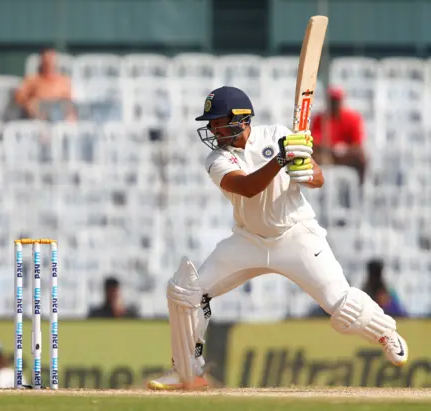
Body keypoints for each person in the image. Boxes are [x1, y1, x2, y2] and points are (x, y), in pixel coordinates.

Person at [147, 86, 408, 390]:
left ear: (240, 119)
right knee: (185, 290)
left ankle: (386, 332)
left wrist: (303, 171)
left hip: (296, 236)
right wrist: (281, 160)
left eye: (217, 122)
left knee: (341, 305)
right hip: (249, 240)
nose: (212, 129)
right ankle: (186, 371)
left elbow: (319, 178)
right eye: (211, 123)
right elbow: (245, 187)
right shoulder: (216, 158)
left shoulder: (277, 135)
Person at [311, 86, 368, 183]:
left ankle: (360, 188)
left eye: (336, 101)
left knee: (362, 158)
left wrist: (345, 148)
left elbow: (358, 143)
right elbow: (314, 141)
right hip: (326, 154)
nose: (334, 104)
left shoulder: (352, 118)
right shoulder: (320, 119)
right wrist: (331, 148)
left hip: (346, 156)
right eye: (332, 101)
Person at [14, 48, 76, 122]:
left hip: (58, 111)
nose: (49, 62)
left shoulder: (64, 81)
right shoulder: (33, 79)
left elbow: (69, 99)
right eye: (46, 60)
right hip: (39, 112)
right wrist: (29, 103)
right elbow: (19, 97)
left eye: (51, 59)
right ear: (42, 62)